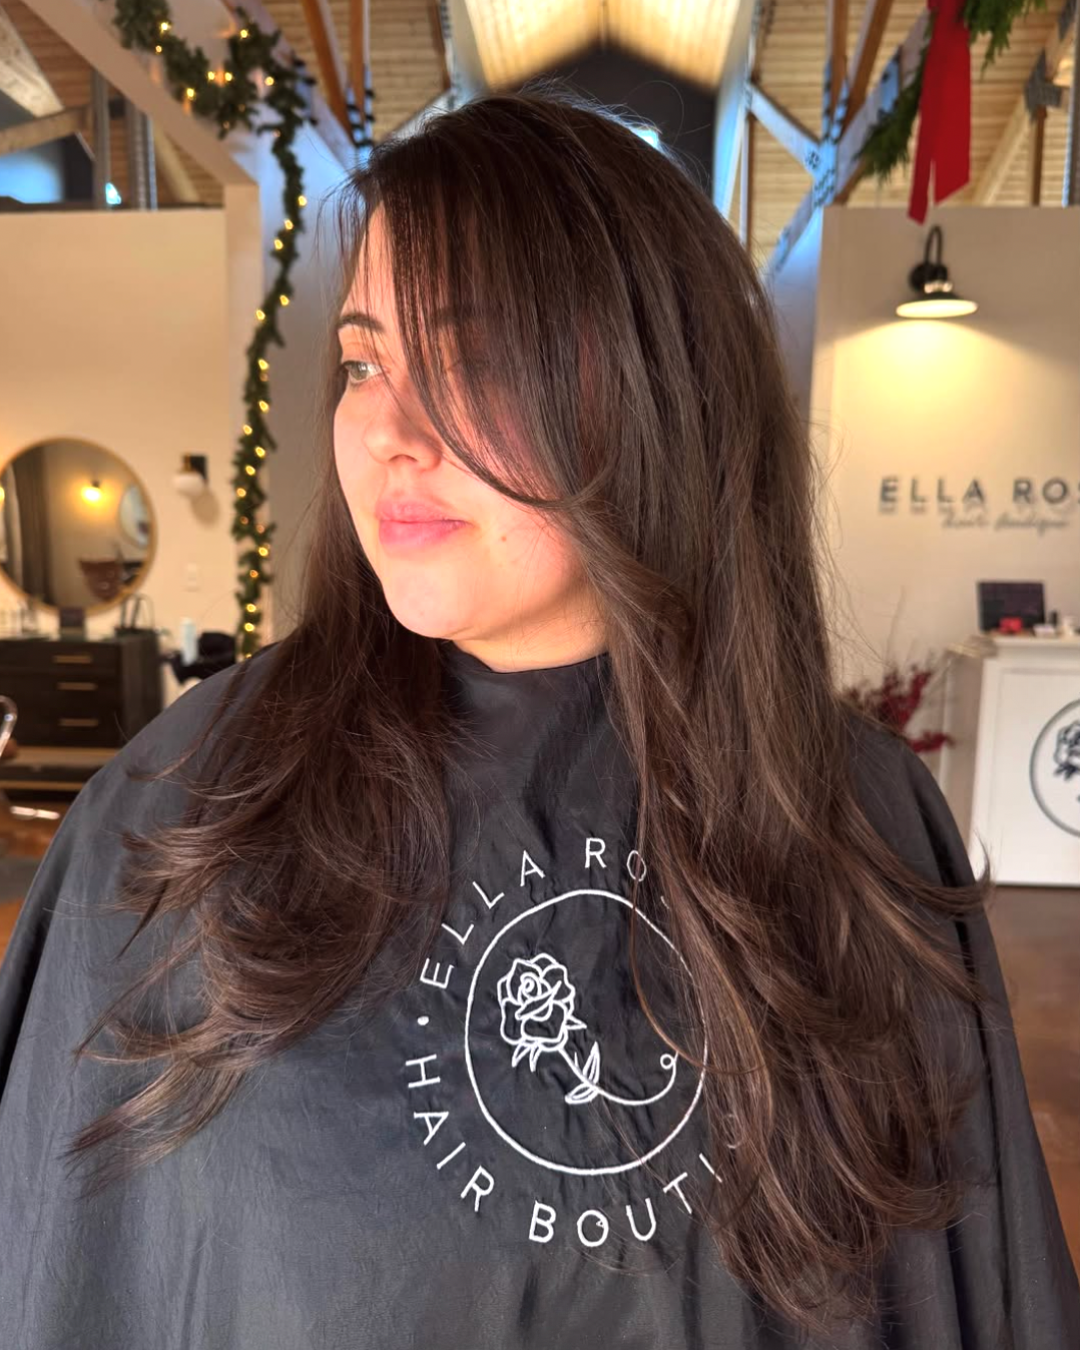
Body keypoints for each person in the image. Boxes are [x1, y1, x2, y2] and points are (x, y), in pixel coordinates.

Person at [1, 90, 1076, 1350]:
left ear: (653, 388)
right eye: (364, 363)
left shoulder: (855, 813)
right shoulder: (179, 809)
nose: (390, 435)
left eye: (473, 359)